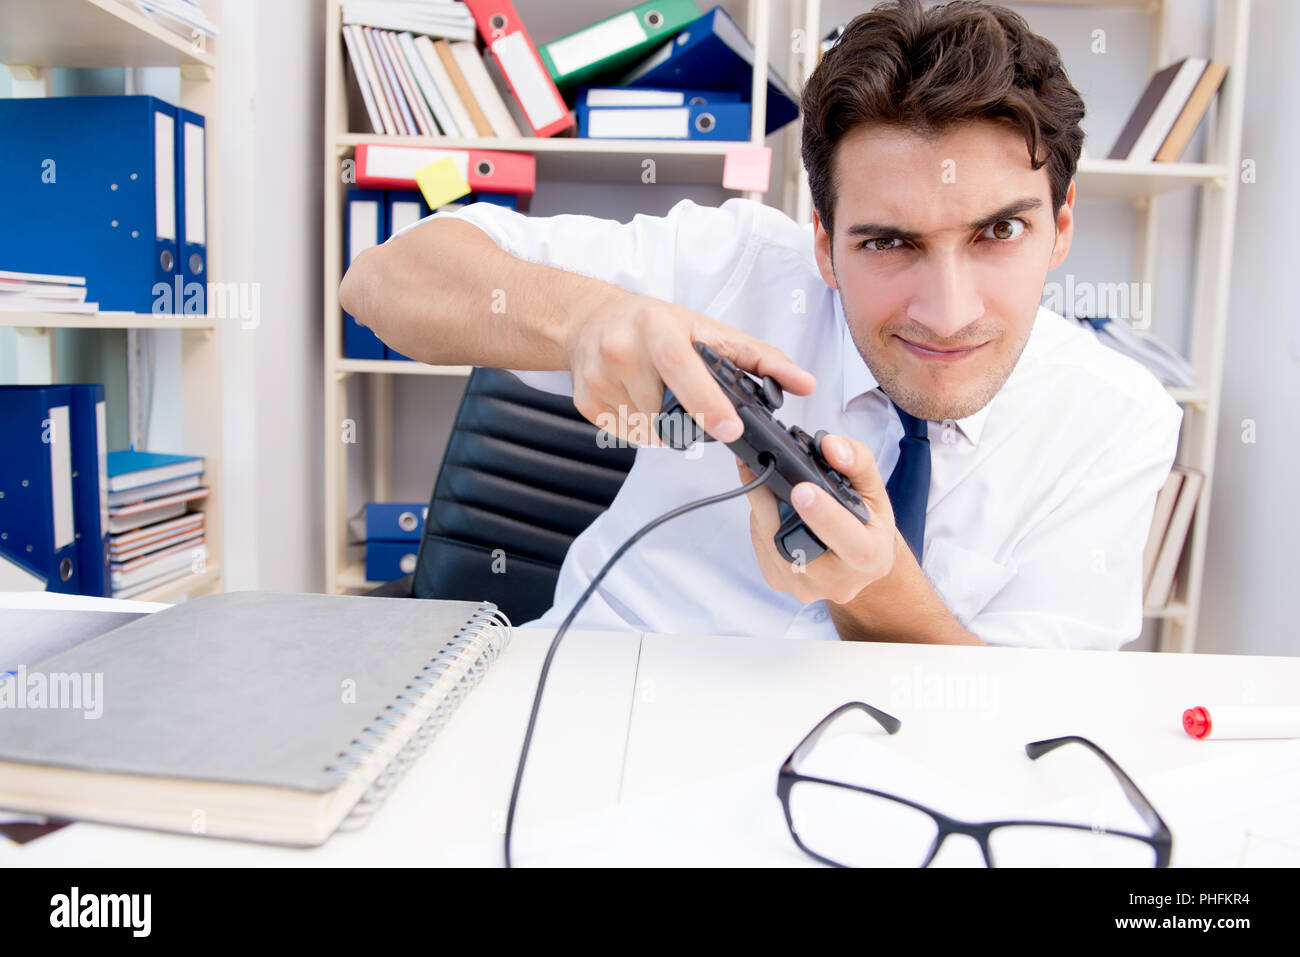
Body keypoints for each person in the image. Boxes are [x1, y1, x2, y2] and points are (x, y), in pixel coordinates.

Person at [339, 0, 1182, 650]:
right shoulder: (734, 260)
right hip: (595, 705)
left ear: (1062, 225)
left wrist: (870, 585)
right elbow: (377, 281)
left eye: (998, 232)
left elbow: (1024, 727)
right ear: (821, 239)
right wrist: (584, 319)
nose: (948, 311)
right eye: (889, 242)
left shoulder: (1117, 419)